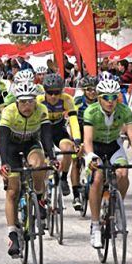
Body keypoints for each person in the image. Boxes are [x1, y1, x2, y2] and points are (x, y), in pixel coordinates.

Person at [82, 79, 132, 248]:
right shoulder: (91, 111)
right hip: (96, 147)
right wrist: (89, 156)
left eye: (114, 97)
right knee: (97, 179)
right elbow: (87, 140)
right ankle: (95, 226)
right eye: (106, 97)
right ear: (99, 98)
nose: (110, 101)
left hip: (113, 146)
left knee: (123, 173)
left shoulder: (124, 110)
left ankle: (117, 206)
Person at [0, 81, 54, 258]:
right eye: (23, 102)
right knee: (13, 192)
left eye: (30, 101)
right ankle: (13, 233)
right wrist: (5, 163)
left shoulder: (41, 110)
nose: (27, 105)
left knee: (39, 165)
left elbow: (46, 136)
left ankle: (38, 199)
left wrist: (51, 157)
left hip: (31, 144)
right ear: (16, 102)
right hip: (12, 148)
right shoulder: (8, 112)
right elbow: (3, 142)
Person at [37, 73, 81, 210]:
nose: (54, 96)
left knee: (68, 148)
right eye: (50, 93)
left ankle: (63, 178)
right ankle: (41, 196)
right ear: (45, 91)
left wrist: (77, 140)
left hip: (58, 129)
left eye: (57, 92)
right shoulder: (38, 100)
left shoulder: (66, 99)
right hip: (42, 130)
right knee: (44, 159)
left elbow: (73, 121)